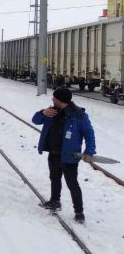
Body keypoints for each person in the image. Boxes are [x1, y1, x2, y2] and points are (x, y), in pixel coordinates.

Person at [32, 87, 95, 224]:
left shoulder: (79, 115)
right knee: (54, 178)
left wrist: (89, 152)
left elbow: (89, 134)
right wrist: (43, 113)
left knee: (72, 184)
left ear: (60, 100)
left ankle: (79, 212)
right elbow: (35, 120)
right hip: (54, 153)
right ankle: (55, 201)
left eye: (54, 98)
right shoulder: (51, 111)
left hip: (70, 157)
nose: (52, 100)